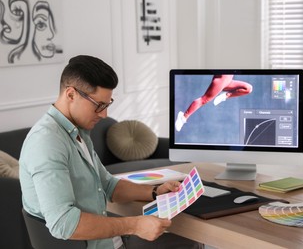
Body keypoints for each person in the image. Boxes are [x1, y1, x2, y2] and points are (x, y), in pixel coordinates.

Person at [19, 55, 202, 249]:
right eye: (99, 105)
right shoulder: (47, 142)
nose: (104, 114)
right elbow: (63, 224)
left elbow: (107, 185)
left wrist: (155, 192)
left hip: (110, 241)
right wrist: (135, 225)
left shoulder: (76, 132)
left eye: (107, 105)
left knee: (186, 242)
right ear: (71, 94)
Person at [175, 74, 253, 131]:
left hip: (228, 81)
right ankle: (183, 117)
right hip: (221, 81)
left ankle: (225, 96)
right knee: (204, 100)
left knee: (248, 88)